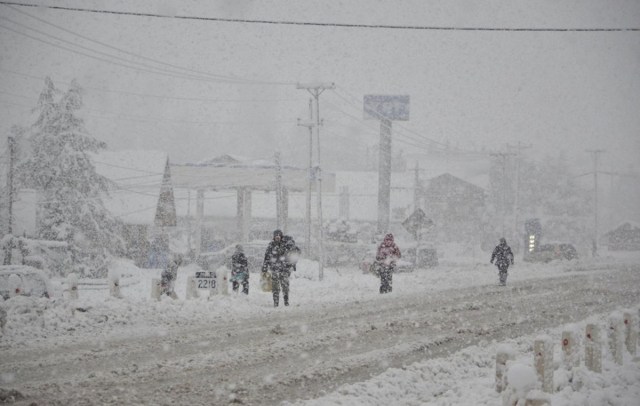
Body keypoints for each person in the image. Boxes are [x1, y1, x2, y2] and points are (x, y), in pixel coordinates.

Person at [261, 229, 293, 307]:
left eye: (279, 235)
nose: (277, 237)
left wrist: (289, 265)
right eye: (276, 236)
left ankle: (286, 301)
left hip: (284, 269)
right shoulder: (271, 245)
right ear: (274, 237)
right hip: (274, 269)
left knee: (285, 286)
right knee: (275, 287)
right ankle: (276, 302)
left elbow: (289, 255)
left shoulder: (285, 245)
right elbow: (267, 257)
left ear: (281, 236)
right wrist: (264, 267)